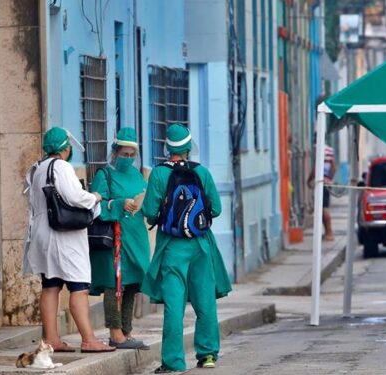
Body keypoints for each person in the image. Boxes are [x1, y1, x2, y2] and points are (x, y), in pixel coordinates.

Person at [140, 124, 232, 373]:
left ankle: (173, 362)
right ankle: (208, 355)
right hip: (202, 245)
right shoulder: (202, 172)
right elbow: (216, 209)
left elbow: (149, 211)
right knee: (205, 303)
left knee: (174, 306)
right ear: (189, 148)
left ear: (167, 148)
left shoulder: (159, 174)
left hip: (172, 247)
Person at [23, 127, 116, 353]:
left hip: (42, 235)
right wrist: (94, 197)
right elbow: (75, 197)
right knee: (79, 287)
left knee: (50, 286)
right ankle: (89, 339)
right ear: (65, 149)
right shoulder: (62, 167)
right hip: (65, 236)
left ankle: (52, 339)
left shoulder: (36, 169)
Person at [89, 128, 151, 350]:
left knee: (132, 283)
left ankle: (126, 330)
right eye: (124, 154)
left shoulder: (137, 175)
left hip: (136, 237)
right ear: (114, 153)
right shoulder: (103, 175)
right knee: (112, 283)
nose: (128, 159)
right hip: (113, 238)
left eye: (131, 155)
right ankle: (115, 334)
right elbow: (95, 206)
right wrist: (119, 203)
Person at [307, 143, 336, 241]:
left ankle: (329, 232)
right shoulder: (329, 150)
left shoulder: (320, 150)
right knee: (322, 208)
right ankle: (327, 232)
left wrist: (310, 179)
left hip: (322, 184)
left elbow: (316, 168)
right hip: (326, 182)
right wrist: (329, 179)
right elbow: (333, 167)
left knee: (323, 209)